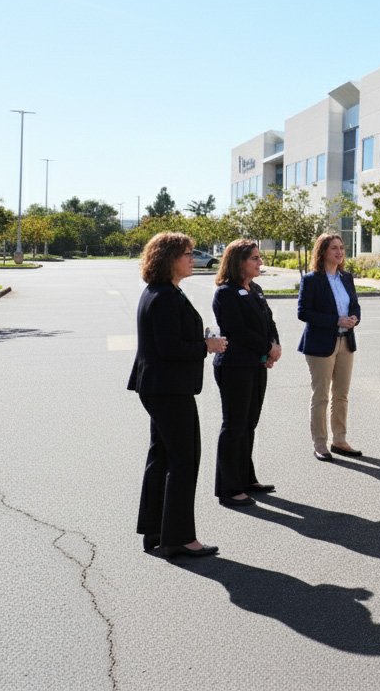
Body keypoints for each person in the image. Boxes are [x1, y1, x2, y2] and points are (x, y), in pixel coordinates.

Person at [128, 232, 228, 558]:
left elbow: (168, 338)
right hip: (168, 388)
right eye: (186, 253)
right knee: (185, 460)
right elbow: (169, 348)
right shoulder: (165, 296)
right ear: (169, 258)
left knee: (163, 456)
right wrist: (206, 346)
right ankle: (180, 537)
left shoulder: (163, 291)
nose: (192, 258)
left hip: (160, 386)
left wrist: (200, 338)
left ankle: (156, 530)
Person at [211, 239, 282, 508]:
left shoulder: (256, 289)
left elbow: (269, 322)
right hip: (234, 367)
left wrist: (274, 345)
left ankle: (245, 477)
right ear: (239, 261)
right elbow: (237, 330)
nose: (260, 262)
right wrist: (266, 347)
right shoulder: (226, 293)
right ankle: (228, 488)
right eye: (254, 258)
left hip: (256, 364)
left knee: (249, 424)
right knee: (234, 425)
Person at [297, 233, 361, 461]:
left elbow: (355, 305)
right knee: (321, 396)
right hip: (320, 344)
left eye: (342, 247)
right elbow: (303, 312)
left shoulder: (346, 278)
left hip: (346, 341)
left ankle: (340, 440)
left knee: (341, 395)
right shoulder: (312, 279)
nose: (339, 252)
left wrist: (354, 318)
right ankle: (320, 444)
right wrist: (335, 320)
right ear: (323, 251)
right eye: (334, 247)